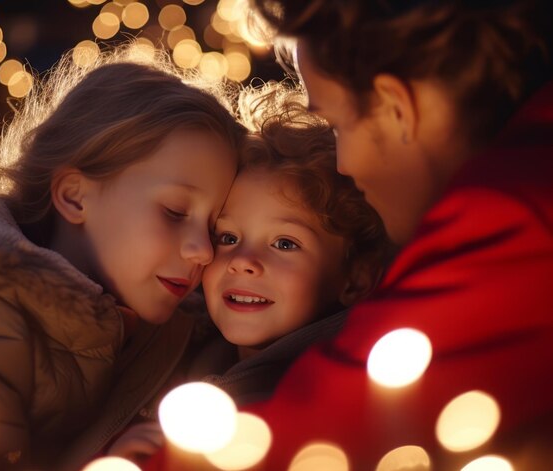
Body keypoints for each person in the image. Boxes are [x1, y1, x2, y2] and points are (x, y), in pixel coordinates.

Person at [143, 0, 553, 470]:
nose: (344, 165)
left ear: (397, 106)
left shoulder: (513, 217)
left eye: (339, 125)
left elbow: (330, 419)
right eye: (228, 236)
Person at [0, 41, 245, 469]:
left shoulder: (182, 327)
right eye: (174, 212)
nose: (203, 251)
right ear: (75, 197)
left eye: (214, 228)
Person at [105, 85, 391, 464]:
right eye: (227, 237)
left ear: (354, 279)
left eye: (285, 243)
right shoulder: (178, 353)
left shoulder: (319, 396)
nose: (243, 260)